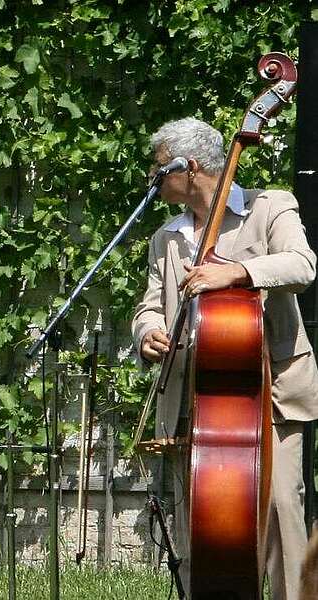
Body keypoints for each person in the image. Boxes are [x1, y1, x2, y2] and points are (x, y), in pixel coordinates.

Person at [132, 117, 318, 599]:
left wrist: (236, 272)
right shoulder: (166, 238)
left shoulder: (270, 207)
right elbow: (150, 304)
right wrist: (147, 331)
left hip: (266, 391)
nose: (153, 177)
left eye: (159, 168)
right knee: (203, 529)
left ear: (188, 167)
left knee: (280, 516)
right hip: (196, 399)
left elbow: (302, 265)